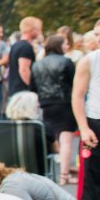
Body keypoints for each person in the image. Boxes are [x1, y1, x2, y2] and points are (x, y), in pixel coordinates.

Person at [32, 34, 76, 184]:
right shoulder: (66, 62)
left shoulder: (38, 64)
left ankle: (53, 174)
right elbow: (74, 83)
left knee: (52, 138)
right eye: (65, 44)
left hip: (46, 103)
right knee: (66, 140)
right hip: (65, 103)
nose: (67, 46)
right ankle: (64, 175)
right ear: (59, 46)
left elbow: (33, 86)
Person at [73, 24, 100, 200]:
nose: (98, 38)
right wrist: (83, 128)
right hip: (95, 123)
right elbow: (77, 96)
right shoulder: (90, 60)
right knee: (91, 180)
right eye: (97, 34)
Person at [8, 16, 42, 96]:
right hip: (23, 92)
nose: (39, 32)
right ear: (31, 29)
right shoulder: (26, 47)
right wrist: (32, 88)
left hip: (15, 90)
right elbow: (24, 70)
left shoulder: (15, 45)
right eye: (38, 29)